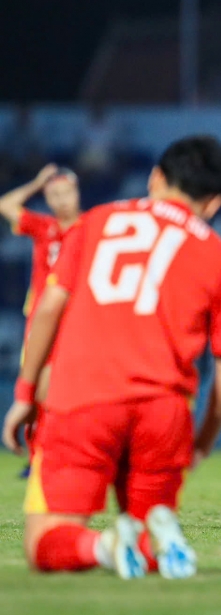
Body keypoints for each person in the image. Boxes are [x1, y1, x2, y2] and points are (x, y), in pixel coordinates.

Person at [2, 136, 221, 581]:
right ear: (215, 203)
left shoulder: (96, 221)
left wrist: (25, 393)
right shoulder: (220, 255)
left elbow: (51, 307)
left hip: (83, 399)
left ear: (156, 177)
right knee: (149, 539)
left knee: (46, 542)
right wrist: (204, 440)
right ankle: (150, 541)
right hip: (163, 410)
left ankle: (104, 546)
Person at [0, 164, 83, 477]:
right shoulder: (43, 226)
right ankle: (38, 460)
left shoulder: (90, 228)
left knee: (66, 394)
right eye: (54, 194)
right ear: (47, 199)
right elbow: (5, 205)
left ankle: (61, 457)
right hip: (39, 324)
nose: (61, 200)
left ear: (77, 193)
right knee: (36, 394)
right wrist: (36, 183)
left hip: (76, 323)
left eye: (66, 192)